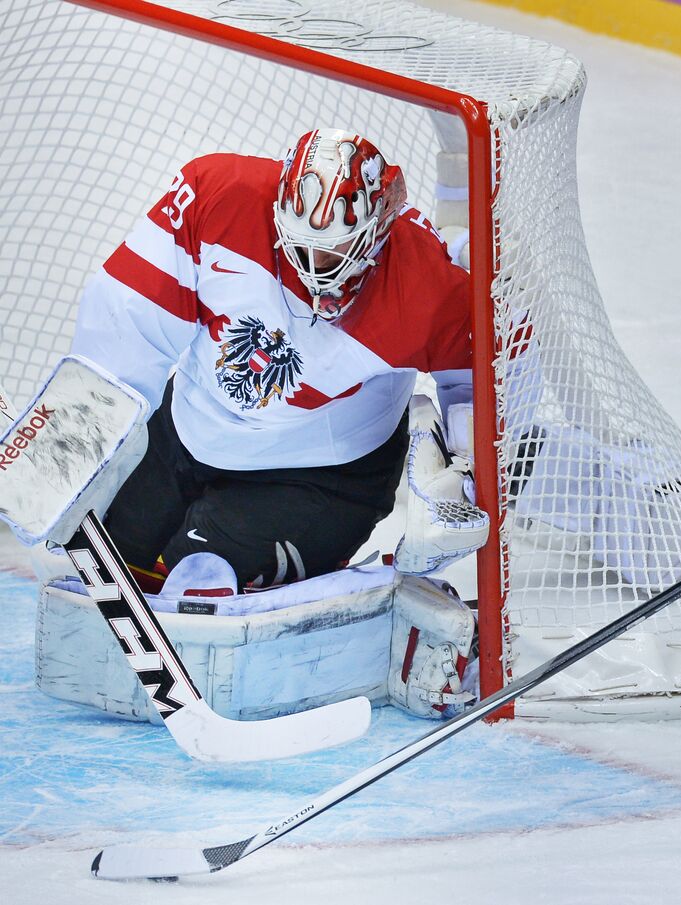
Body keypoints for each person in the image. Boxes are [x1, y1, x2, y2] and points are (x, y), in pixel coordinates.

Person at [70, 128, 478, 590]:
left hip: (323, 477)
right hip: (191, 432)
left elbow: (484, 384)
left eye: (334, 248)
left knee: (195, 587)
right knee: (100, 557)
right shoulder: (218, 194)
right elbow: (129, 314)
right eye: (301, 241)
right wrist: (84, 425)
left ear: (378, 230)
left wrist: (469, 473)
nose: (313, 262)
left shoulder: (425, 282)